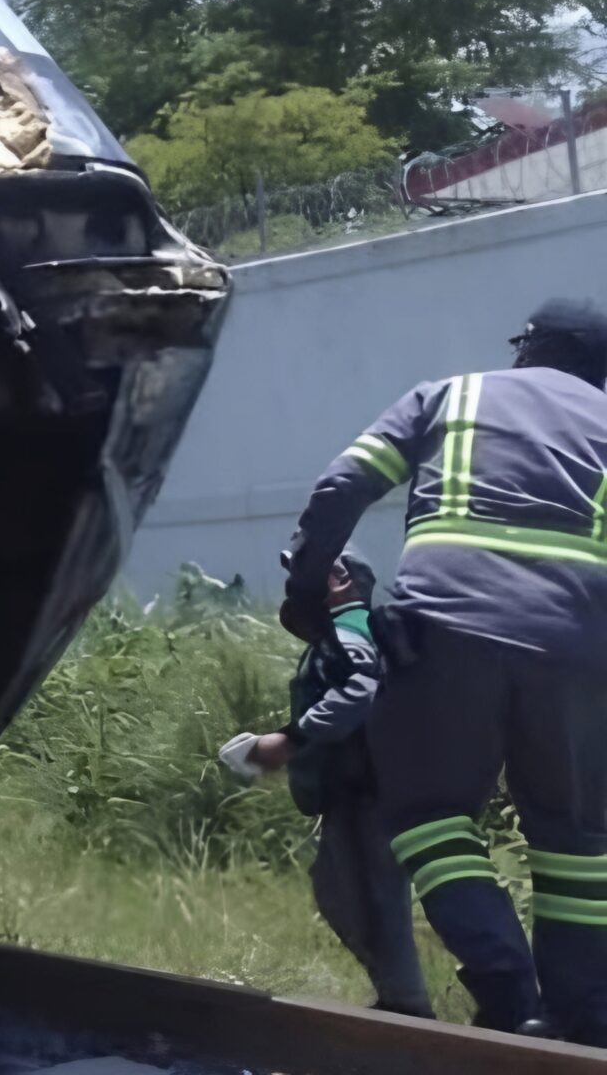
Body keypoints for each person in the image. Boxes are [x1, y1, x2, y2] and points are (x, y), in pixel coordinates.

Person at [283, 298, 607, 1041]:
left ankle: (511, 995)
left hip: (444, 637)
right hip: (579, 655)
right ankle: (586, 1022)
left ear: (528, 351)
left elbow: (342, 487)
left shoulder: (450, 395)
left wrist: (307, 596)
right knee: (578, 844)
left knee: (429, 816)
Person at [245, 550, 431, 1018]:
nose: (299, 581)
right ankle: (397, 999)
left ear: (344, 581)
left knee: (374, 899)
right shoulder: (340, 633)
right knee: (341, 892)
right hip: (352, 791)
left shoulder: (350, 633)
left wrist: (290, 739)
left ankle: (408, 1008)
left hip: (368, 792)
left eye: (312, 573)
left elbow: (359, 691)